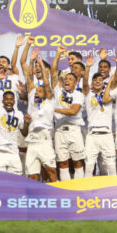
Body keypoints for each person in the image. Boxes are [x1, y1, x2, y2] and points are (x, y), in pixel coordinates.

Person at [21, 41, 57, 182]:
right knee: (32, 176)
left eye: (40, 90)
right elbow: (30, 78)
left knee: (51, 172)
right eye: (36, 90)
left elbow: (47, 82)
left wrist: (41, 63)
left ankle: (59, 198)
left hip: (45, 138)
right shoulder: (32, 95)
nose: (37, 92)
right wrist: (31, 61)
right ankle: (33, 201)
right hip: (31, 139)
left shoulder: (49, 99)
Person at [51, 46, 86, 181]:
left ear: (76, 83)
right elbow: (54, 71)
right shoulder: (58, 91)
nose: (67, 80)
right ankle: (67, 190)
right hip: (59, 131)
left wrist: (54, 109)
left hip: (74, 131)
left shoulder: (78, 94)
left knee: (78, 163)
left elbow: (73, 111)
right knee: (63, 163)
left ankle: (80, 189)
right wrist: (59, 53)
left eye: (70, 79)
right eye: (66, 79)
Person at [0, 72, 29, 174]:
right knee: (0, 183)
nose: (9, 101)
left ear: (14, 101)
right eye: (6, 99)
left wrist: (26, 123)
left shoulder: (19, 114)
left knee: (16, 182)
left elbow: (25, 133)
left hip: (13, 152)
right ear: (3, 101)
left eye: (11, 99)